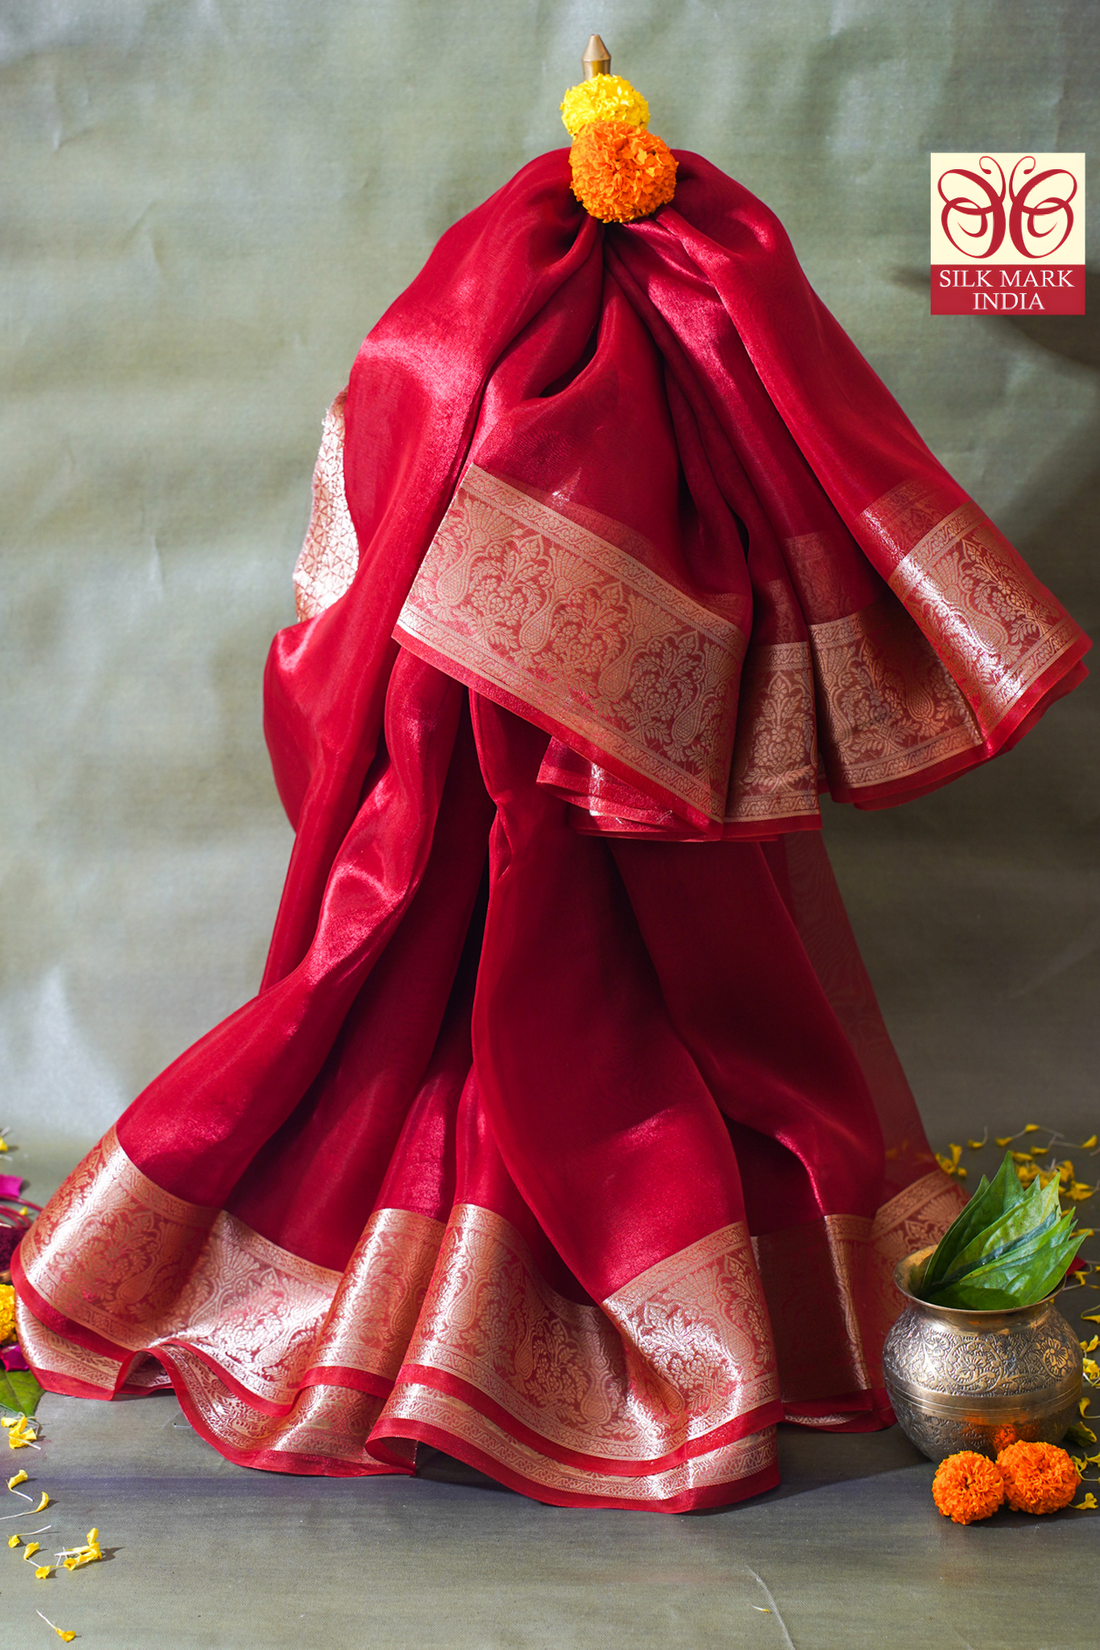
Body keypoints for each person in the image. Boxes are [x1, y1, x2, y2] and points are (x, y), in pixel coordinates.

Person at [13, 55, 1088, 1513]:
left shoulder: (540, 335)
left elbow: (375, 510)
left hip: (515, 783)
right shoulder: (613, 329)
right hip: (478, 783)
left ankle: (499, 1305)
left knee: (557, 997)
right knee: (487, 997)